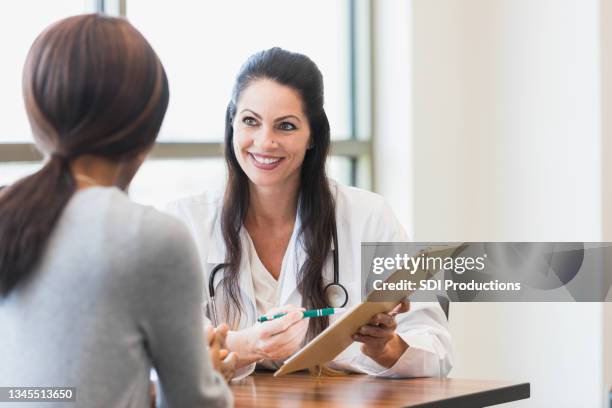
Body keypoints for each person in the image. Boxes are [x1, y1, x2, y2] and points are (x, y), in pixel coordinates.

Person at [165, 47, 453, 380]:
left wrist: (384, 348)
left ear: (312, 135)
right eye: (250, 121)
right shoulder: (185, 221)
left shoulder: (368, 216)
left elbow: (437, 351)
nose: (264, 141)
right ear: (232, 124)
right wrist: (246, 345)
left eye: (285, 126)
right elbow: (164, 345)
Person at [0, 14, 233, 407]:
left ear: (37, 115)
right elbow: (193, 403)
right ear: (146, 131)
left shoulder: (10, 211)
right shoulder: (152, 236)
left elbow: (34, 393)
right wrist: (209, 376)